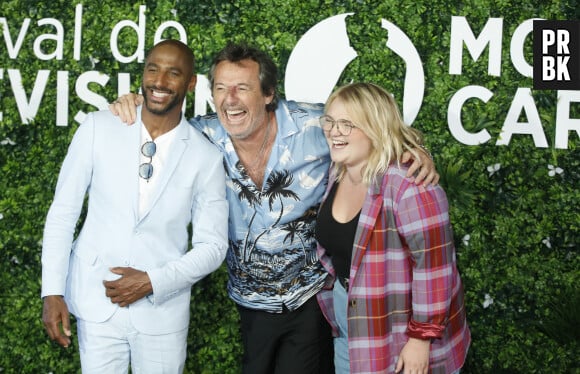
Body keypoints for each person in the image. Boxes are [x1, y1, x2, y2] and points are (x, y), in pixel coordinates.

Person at [110, 43, 439, 374]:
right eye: (221, 89)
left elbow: (370, 126)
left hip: (311, 298)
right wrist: (134, 107)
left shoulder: (313, 124)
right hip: (250, 302)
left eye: (242, 88)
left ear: (268, 94)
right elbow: (151, 135)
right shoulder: (199, 136)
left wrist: (414, 150)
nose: (230, 99)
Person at [41, 39, 229, 373]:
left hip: (162, 313)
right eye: (152, 69)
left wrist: (154, 281)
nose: (159, 81)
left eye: (173, 73)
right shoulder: (98, 127)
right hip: (95, 301)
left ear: (191, 83)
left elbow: (213, 246)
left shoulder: (206, 157)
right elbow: (62, 214)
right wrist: (52, 291)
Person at [315, 82, 470, 374]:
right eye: (331, 121)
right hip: (350, 327)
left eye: (347, 124)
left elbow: (434, 265)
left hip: (399, 329)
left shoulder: (410, 185)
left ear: (375, 127)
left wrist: (421, 338)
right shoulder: (337, 171)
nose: (334, 131)